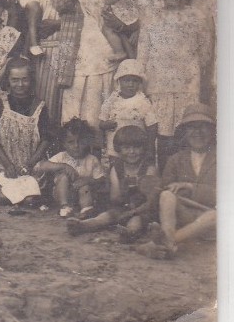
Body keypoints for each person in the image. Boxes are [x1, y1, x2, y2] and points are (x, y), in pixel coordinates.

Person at [135, 0, 214, 166]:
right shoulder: (151, 16)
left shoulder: (198, 16)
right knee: (161, 133)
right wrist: (142, 81)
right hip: (157, 84)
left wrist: (192, 73)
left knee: (185, 131)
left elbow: (205, 52)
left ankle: (186, 172)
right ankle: (162, 174)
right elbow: (143, 51)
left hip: (187, 84)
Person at [43, 0, 121, 130]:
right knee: (75, 106)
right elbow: (62, 5)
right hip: (75, 53)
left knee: (101, 101)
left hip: (103, 47)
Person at [135, 103, 216, 259]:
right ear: (184, 132)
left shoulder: (223, 158)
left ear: (212, 131)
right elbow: (165, 191)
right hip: (183, 218)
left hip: (209, 222)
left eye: (203, 127)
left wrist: (191, 187)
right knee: (166, 196)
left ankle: (165, 242)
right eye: (192, 127)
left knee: (217, 215)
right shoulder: (175, 159)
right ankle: (168, 241)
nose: (197, 132)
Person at [66, 125, 158, 240]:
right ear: (119, 149)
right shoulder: (117, 168)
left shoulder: (149, 168)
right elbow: (115, 198)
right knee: (105, 216)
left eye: (137, 147)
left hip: (143, 209)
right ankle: (84, 225)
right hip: (123, 207)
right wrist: (125, 192)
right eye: (126, 148)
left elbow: (150, 200)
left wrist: (133, 210)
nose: (132, 152)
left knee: (136, 221)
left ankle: (130, 233)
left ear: (143, 148)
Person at [0, 58, 51, 207]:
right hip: (4, 164)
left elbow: (46, 139)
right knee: (3, 198)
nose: (20, 85)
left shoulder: (40, 106)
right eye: (15, 80)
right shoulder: (1, 104)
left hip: (30, 165)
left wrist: (30, 164)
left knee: (29, 201)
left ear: (31, 79)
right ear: (8, 80)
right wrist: (7, 164)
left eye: (24, 80)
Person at [36, 117, 104, 219]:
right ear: (64, 143)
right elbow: (42, 166)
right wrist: (63, 166)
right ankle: (65, 207)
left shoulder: (92, 159)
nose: (76, 146)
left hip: (83, 195)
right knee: (63, 177)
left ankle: (86, 210)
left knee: (85, 187)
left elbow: (101, 179)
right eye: (71, 142)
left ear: (87, 142)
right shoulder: (62, 156)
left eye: (80, 141)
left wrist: (87, 180)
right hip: (63, 195)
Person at [98, 59, 157, 161]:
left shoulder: (142, 101)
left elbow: (152, 125)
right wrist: (106, 125)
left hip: (136, 146)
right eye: (126, 80)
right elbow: (101, 122)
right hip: (115, 146)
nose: (130, 84)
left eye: (134, 81)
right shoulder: (112, 100)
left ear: (140, 82)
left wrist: (150, 147)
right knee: (116, 165)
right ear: (119, 81)